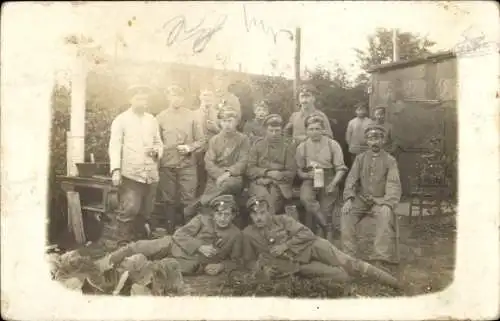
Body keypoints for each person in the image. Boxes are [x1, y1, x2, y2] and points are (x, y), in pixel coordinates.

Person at [242, 196, 401, 288]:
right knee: (342, 277)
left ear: (269, 211)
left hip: (312, 247)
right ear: (250, 217)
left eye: (262, 213)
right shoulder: (248, 234)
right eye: (255, 215)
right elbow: (249, 260)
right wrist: (265, 268)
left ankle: (394, 283)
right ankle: (309, 277)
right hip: (297, 265)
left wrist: (285, 245)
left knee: (349, 262)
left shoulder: (282, 220)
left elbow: (307, 233)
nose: (259, 218)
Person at [97, 195, 243, 276]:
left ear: (233, 216)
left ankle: (118, 271)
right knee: (139, 246)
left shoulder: (236, 234)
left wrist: (220, 266)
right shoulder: (202, 219)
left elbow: (237, 260)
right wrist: (199, 246)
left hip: (190, 264)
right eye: (219, 213)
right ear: (213, 213)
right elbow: (179, 234)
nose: (222, 218)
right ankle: (101, 264)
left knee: (154, 269)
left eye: (227, 214)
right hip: (172, 245)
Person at [108, 84, 163, 244]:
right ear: (130, 99)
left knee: (146, 211)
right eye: (138, 99)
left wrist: (157, 151)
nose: (142, 102)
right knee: (130, 209)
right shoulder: (121, 120)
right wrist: (116, 170)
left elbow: (159, 143)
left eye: (144, 99)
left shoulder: (152, 120)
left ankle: (138, 244)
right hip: (131, 172)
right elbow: (114, 145)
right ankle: (122, 244)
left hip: (150, 173)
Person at [341, 123, 402, 267]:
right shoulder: (360, 158)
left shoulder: (390, 160)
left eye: (377, 138)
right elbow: (351, 179)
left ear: (383, 141)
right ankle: (349, 256)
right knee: (346, 213)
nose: (374, 142)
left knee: (385, 214)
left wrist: (388, 203)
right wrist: (349, 198)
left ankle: (379, 257)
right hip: (361, 199)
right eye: (370, 139)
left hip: (380, 200)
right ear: (367, 141)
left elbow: (393, 184)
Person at [156, 85, 206, 230]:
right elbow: (155, 141)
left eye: (179, 96)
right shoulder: (160, 117)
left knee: (189, 199)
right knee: (168, 199)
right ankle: (170, 231)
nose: (176, 99)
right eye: (172, 95)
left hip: (188, 164)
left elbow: (202, 140)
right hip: (167, 164)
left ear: (183, 98)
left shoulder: (192, 116)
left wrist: (189, 148)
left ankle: (188, 231)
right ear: (167, 97)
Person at [296, 114, 348, 241]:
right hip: (310, 177)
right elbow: (299, 170)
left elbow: (341, 168)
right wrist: (305, 175)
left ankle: (327, 242)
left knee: (326, 210)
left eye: (317, 129)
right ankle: (327, 226)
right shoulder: (302, 147)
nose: (314, 132)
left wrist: (333, 183)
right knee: (306, 198)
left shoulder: (332, 144)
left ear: (323, 130)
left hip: (329, 177)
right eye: (311, 129)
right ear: (306, 131)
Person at [197, 93, 250, 207]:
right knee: (211, 200)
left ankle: (201, 203)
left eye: (230, 121)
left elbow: (243, 162)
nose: (227, 124)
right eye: (224, 121)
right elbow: (209, 162)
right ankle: (204, 205)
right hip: (215, 176)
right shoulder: (214, 140)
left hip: (233, 177)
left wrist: (228, 173)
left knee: (226, 185)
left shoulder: (243, 139)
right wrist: (219, 174)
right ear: (220, 122)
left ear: (236, 122)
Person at [247, 114, 296, 215]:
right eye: (271, 130)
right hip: (259, 183)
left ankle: (269, 226)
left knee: (271, 202)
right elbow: (249, 169)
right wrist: (267, 173)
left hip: (279, 184)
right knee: (262, 199)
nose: (274, 134)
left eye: (277, 130)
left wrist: (276, 176)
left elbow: (291, 172)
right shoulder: (258, 145)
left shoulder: (287, 146)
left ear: (281, 130)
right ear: (265, 130)